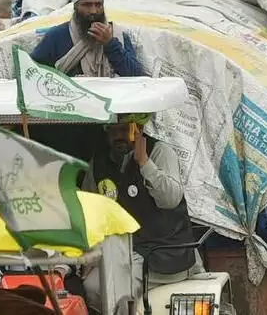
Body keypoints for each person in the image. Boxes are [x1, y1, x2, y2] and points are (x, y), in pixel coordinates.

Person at [84, 117, 200, 306]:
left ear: (137, 129)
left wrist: (144, 163)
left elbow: (170, 200)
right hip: (121, 252)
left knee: (112, 291)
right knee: (91, 287)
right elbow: (90, 210)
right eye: (112, 131)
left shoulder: (160, 151)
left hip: (162, 254)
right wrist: (91, 254)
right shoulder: (99, 162)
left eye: (124, 130)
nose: (118, 137)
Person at [30, 0, 142, 77]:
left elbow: (136, 76)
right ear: (75, 6)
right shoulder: (56, 36)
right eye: (87, 5)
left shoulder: (118, 35)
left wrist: (110, 44)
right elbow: (32, 72)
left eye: (98, 5)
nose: (93, 11)